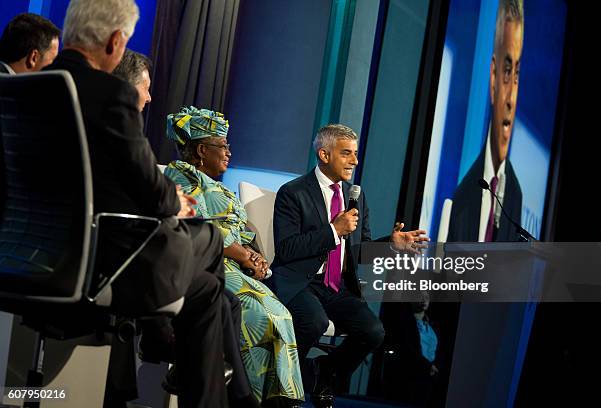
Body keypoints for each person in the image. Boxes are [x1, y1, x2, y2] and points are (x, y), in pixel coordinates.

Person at [45, 1, 227, 407]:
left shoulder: (32, 85)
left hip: (32, 258)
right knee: (211, 239)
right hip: (100, 266)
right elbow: (152, 192)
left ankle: (165, 332)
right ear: (115, 42)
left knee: (208, 289)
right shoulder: (111, 94)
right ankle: (162, 329)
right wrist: (175, 201)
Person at [112, 52, 257, 408]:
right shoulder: (117, 125)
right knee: (208, 243)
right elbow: (156, 199)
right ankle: (231, 387)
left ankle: (216, 379)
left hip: (136, 247)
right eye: (145, 90)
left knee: (218, 296)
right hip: (122, 255)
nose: (149, 98)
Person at [269, 124, 429, 407]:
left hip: (336, 286)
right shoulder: (293, 192)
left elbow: (359, 250)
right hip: (299, 281)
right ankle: (282, 387)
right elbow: (286, 249)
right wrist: (333, 230)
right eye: (346, 154)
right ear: (324, 154)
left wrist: (391, 244)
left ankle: (325, 371)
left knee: (373, 331)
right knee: (314, 322)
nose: (355, 161)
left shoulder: (355, 195)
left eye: (355, 154)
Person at [164, 106, 305, 408]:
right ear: (201, 149)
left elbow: (240, 232)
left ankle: (274, 400)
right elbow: (194, 225)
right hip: (205, 264)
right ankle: (244, 398)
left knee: (279, 314)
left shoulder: (215, 184)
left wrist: (255, 256)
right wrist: (242, 254)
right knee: (261, 316)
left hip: (233, 264)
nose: (229, 152)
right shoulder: (182, 178)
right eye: (223, 146)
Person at [447, 0, 524, 242]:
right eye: (507, 71)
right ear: (492, 78)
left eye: (517, 74)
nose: (511, 99)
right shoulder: (463, 194)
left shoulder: (514, 194)